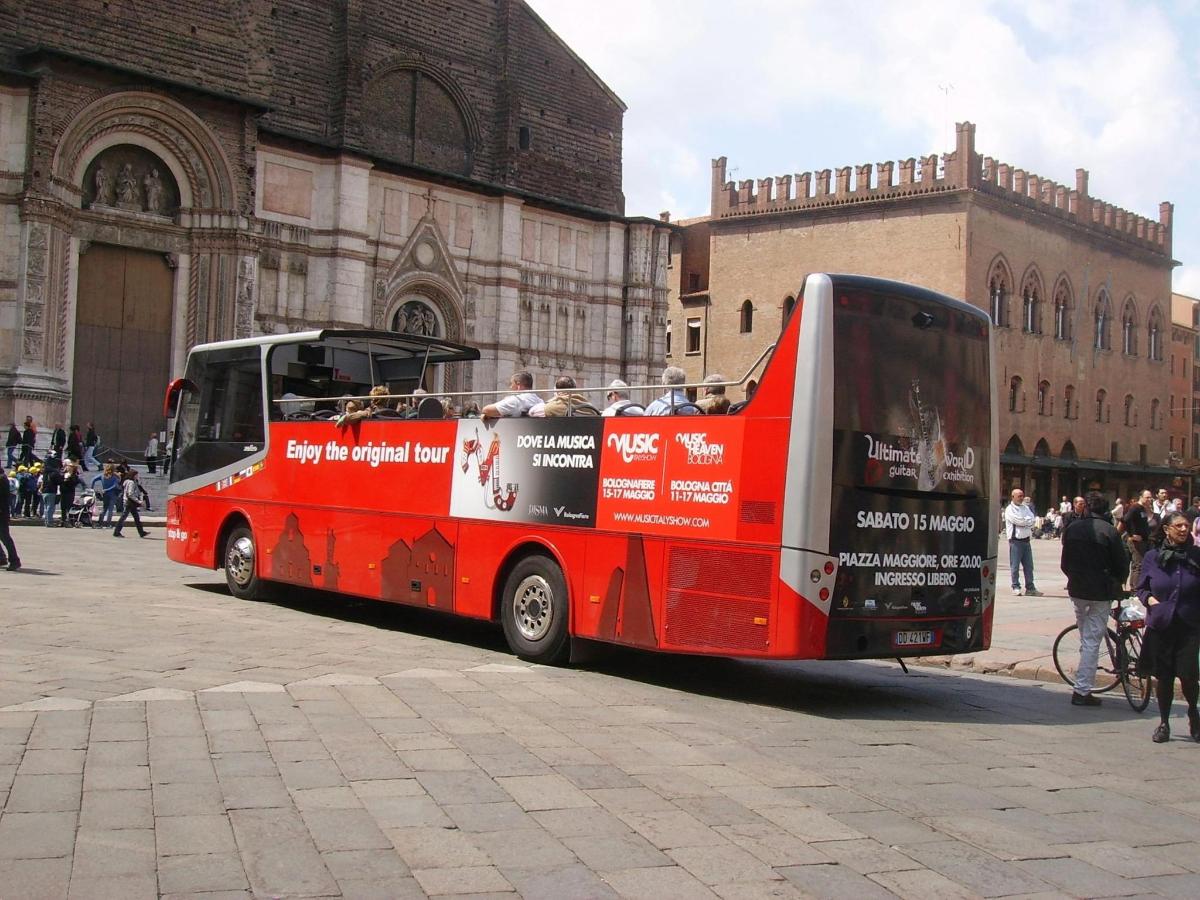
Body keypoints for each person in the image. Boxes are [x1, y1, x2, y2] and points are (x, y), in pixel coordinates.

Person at [1135, 510, 1200, 743]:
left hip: (1190, 624)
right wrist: (1152, 602)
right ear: (1166, 529)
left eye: (1186, 526)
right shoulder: (1153, 557)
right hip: (1161, 624)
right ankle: (1164, 723)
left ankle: (1194, 713)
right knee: (1164, 677)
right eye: (1179, 526)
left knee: (1189, 675)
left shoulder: (1196, 554)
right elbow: (1141, 588)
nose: (1184, 529)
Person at [1060, 491, 1128, 707]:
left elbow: (1065, 563)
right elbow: (1121, 563)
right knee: (1091, 641)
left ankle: (1083, 678)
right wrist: (1118, 582)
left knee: (1085, 636)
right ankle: (1081, 690)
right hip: (1100, 592)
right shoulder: (1109, 531)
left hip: (1078, 590)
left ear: (1087, 508)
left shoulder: (1072, 529)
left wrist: (1074, 577)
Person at [1004, 488, 1041, 596]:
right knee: (1015, 566)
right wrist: (1026, 522)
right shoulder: (1009, 509)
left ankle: (1030, 587)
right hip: (1016, 541)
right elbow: (1017, 521)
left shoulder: (1025, 507)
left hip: (1026, 541)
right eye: (1019, 496)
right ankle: (1015, 586)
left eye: (1022, 496)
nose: (1021, 498)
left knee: (1029, 566)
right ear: (1013, 497)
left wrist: (1026, 522)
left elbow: (1032, 520)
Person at [1123, 490, 1154, 588]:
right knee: (1138, 564)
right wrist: (1132, 534)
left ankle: (1134, 585)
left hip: (1144, 540)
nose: (1149, 499)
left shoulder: (1143, 509)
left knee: (1139, 564)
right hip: (1136, 541)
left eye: (1150, 497)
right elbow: (1126, 519)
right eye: (1147, 497)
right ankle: (1135, 589)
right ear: (1141, 497)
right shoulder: (1135, 508)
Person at [113, 470, 149, 538]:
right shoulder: (131, 483)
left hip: (129, 502)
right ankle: (116, 532)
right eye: (136, 475)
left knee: (135, 517)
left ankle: (141, 532)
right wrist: (138, 501)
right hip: (129, 503)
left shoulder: (127, 481)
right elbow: (130, 494)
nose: (137, 476)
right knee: (124, 517)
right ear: (133, 475)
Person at [0, 466, 19, 571]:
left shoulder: (2, 478)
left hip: (1, 513)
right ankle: (1, 558)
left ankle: (15, 560)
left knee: (5, 537)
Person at [92, 463, 121, 529]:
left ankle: (100, 523)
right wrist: (107, 489)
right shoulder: (115, 476)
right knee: (110, 510)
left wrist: (92, 488)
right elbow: (115, 486)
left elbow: (93, 479)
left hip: (105, 494)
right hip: (112, 494)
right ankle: (108, 524)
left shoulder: (102, 475)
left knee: (104, 509)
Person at [39, 458, 62, 527]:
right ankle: (49, 522)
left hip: (44, 491)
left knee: (46, 507)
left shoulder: (45, 473)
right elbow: (59, 481)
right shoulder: (54, 472)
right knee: (50, 507)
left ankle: (46, 521)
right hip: (51, 491)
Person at [58, 461, 80, 527]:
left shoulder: (74, 476)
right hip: (63, 493)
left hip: (70, 493)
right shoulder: (63, 474)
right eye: (68, 466)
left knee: (69, 508)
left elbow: (75, 483)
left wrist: (69, 478)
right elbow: (60, 482)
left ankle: (69, 521)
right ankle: (63, 521)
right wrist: (64, 479)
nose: (69, 467)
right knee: (63, 508)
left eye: (71, 467)